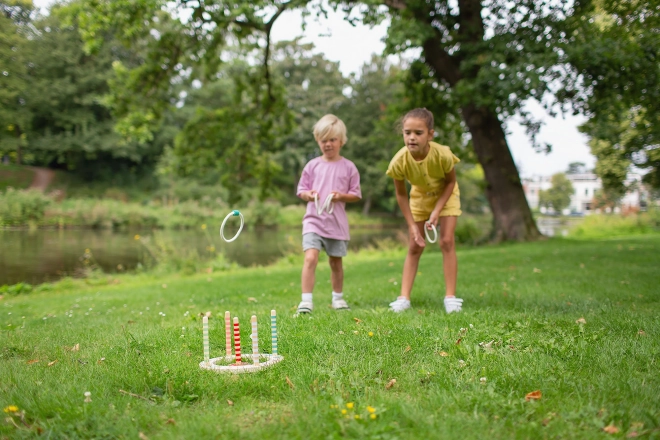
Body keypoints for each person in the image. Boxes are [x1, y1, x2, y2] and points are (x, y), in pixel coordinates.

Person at [385, 108, 463, 313]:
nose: (411, 137)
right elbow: (401, 195)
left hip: (446, 195)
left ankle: (451, 298)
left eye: (418, 133)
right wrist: (412, 226)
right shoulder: (399, 161)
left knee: (446, 241)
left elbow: (450, 182)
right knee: (415, 246)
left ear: (430, 134)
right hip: (419, 197)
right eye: (407, 132)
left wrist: (437, 212)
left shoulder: (443, 155)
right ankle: (403, 298)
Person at [295, 114, 362, 314]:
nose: (328, 144)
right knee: (310, 258)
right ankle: (306, 301)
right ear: (318, 141)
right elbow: (301, 190)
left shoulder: (349, 167)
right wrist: (309, 194)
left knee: (335, 262)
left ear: (341, 141)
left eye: (332, 140)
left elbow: (356, 194)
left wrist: (340, 196)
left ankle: (338, 298)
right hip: (313, 221)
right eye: (324, 140)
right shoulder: (312, 165)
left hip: (336, 224)